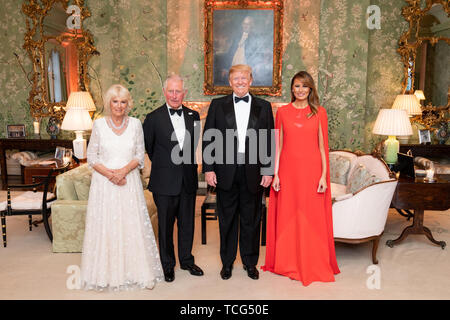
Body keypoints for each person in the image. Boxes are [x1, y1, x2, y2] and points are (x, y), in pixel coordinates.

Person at [80, 84, 164, 291]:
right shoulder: (98, 125)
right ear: (109, 103)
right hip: (104, 184)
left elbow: (139, 155)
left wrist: (123, 172)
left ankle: (137, 272)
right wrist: (111, 175)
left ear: (128, 104)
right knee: (107, 226)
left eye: (123, 102)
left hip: (129, 183)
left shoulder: (136, 124)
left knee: (131, 225)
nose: (119, 106)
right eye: (115, 101)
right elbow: (92, 157)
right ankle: (106, 274)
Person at [261, 71, 340, 286]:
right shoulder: (283, 112)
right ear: (292, 89)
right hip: (287, 171)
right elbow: (277, 145)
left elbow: (323, 147)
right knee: (288, 215)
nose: (301, 90)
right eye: (297, 86)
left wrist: (323, 175)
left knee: (310, 217)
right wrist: (275, 173)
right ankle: (288, 262)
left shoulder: (319, 112)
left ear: (311, 89)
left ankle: (311, 261)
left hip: (312, 172)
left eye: (305, 86)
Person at [203, 64, 274, 280]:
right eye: (236, 78)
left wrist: (268, 171)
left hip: (253, 172)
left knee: (251, 220)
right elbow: (209, 137)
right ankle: (227, 263)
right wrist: (208, 169)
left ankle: (250, 263)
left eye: (244, 78)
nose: (240, 82)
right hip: (225, 172)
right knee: (227, 220)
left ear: (251, 80)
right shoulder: (217, 105)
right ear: (230, 82)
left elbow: (269, 140)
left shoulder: (264, 106)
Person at [143, 75, 203, 283]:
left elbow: (193, 146)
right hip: (164, 181)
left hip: (187, 180)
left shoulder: (193, 116)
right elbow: (149, 148)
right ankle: (167, 265)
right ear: (165, 92)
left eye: (179, 91)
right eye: (171, 91)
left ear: (184, 93)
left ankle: (186, 260)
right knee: (166, 227)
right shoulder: (152, 118)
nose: (175, 95)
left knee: (187, 224)